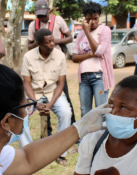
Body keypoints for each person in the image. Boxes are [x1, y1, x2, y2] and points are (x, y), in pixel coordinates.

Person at [22, 28, 72, 165]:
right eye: (48, 42)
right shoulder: (28, 57)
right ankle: (28, 153)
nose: (52, 44)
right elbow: (27, 84)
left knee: (66, 113)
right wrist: (34, 104)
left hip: (53, 93)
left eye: (53, 41)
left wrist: (50, 105)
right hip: (34, 94)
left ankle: (60, 153)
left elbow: (61, 84)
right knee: (21, 115)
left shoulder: (60, 56)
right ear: (38, 43)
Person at [28, 0, 76, 138]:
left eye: (44, 15)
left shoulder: (58, 20)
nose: (42, 18)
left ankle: (70, 129)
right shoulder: (33, 25)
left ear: (49, 11)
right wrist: (40, 44)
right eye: (39, 16)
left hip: (56, 64)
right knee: (43, 99)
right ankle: (47, 133)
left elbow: (69, 38)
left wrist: (53, 42)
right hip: (40, 65)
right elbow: (29, 46)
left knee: (64, 98)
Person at [72, 2, 114, 118]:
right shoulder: (81, 34)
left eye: (95, 18)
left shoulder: (105, 30)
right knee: (85, 111)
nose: (93, 22)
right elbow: (74, 57)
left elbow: (99, 51)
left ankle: (101, 136)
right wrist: (90, 54)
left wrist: (87, 32)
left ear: (99, 17)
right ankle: (87, 136)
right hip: (84, 77)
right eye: (89, 19)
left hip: (99, 77)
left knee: (101, 111)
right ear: (85, 19)